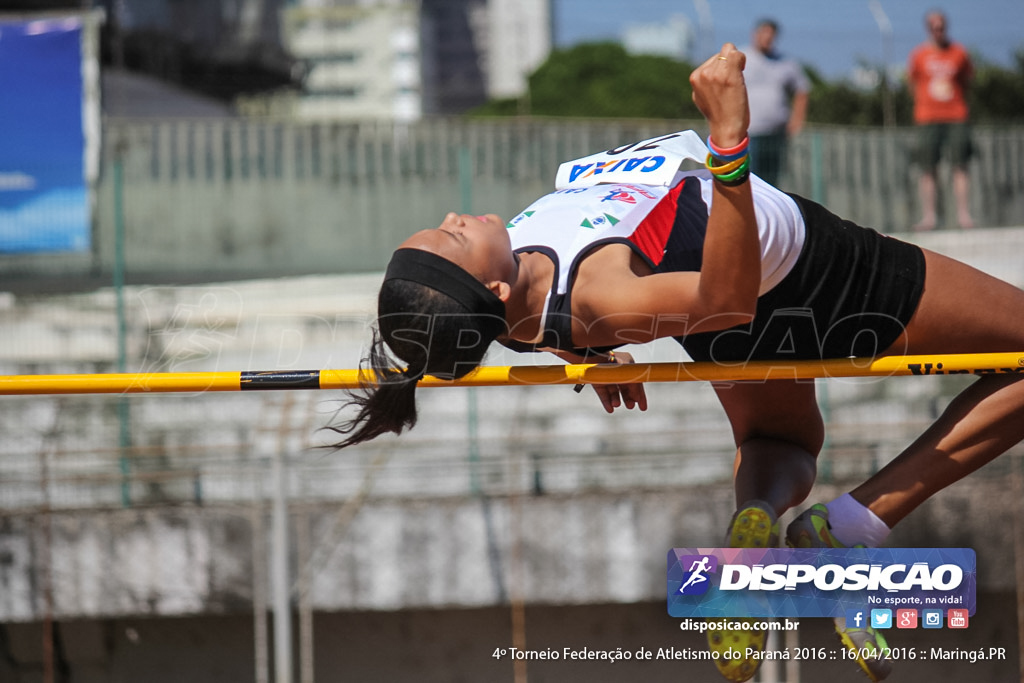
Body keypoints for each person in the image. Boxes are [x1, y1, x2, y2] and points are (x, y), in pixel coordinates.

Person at [332, 43, 1024, 682]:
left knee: (777, 441)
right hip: (813, 276)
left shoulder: (512, 312)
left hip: (730, 320)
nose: (457, 215)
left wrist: (590, 355)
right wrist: (729, 136)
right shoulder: (597, 291)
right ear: (494, 289)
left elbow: (539, 327)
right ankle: (854, 523)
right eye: (452, 238)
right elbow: (724, 299)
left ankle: (756, 513)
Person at [907, 9, 975, 230]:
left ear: (946, 27)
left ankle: (964, 215)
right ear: (928, 29)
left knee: (960, 166)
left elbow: (967, 81)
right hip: (927, 117)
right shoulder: (919, 55)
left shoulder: (959, 53)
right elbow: (912, 83)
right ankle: (929, 217)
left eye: (941, 27)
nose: (938, 31)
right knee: (927, 168)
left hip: (956, 115)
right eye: (933, 27)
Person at [741, 18, 809, 187]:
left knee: (771, 183)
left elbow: (803, 89)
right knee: (749, 181)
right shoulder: (742, 58)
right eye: (764, 33)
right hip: (750, 132)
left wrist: (797, 120)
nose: (767, 38)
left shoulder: (786, 63)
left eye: (771, 34)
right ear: (755, 34)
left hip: (776, 132)